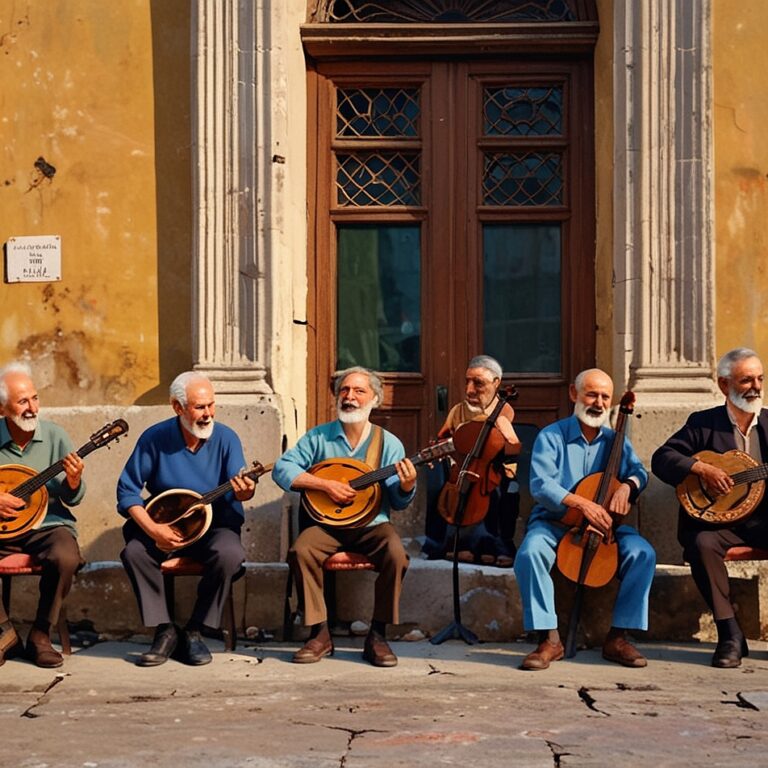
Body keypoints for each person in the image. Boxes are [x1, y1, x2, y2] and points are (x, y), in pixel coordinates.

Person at [273, 366, 417, 667]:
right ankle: (319, 633)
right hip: (326, 526)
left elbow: (398, 502)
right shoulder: (318, 438)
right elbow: (282, 469)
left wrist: (406, 484)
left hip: (371, 525)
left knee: (396, 554)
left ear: (374, 399)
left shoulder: (387, 443)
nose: (350, 397)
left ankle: (377, 634)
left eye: (359, 391)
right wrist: (323, 484)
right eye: (345, 390)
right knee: (301, 551)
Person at [514, 368, 655, 670]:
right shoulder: (552, 436)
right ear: (574, 394)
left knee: (643, 553)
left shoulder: (616, 441)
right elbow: (541, 484)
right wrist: (582, 504)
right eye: (592, 394)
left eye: (605, 397)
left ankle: (617, 637)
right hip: (555, 522)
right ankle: (549, 638)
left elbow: (640, 472)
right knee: (530, 553)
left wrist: (628, 487)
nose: (599, 402)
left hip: (606, 528)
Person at [116, 371, 255, 667]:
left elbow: (239, 488)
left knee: (230, 554)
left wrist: (245, 492)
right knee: (134, 552)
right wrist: (154, 530)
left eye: (211, 405)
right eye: (199, 407)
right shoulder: (155, 438)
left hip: (213, 527)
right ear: (177, 407)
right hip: (165, 525)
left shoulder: (227, 438)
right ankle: (165, 630)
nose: (208, 414)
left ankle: (195, 631)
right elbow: (127, 490)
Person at [652, 347, 768, 668]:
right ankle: (730, 634)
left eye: (759, 378)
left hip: (763, 521)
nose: (755, 386)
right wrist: (701, 469)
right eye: (746, 380)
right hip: (718, 524)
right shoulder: (704, 424)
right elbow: (662, 459)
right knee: (702, 543)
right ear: (723, 385)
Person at [0, 361, 86, 668]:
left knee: (66, 556)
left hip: (46, 524)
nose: (32, 408)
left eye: (34, 398)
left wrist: (73, 482)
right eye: (22, 401)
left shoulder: (55, 436)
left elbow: (73, 498)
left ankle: (40, 635)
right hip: (3, 531)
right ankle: (4, 632)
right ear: (2, 409)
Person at [424, 355, 521, 566]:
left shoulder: (505, 411)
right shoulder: (458, 410)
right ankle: (452, 543)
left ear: (496, 383)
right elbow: (443, 437)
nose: (469, 390)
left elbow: (513, 449)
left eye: (478, 383)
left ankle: (493, 544)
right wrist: (437, 450)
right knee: (442, 488)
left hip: (492, 471)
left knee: (500, 492)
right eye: (467, 382)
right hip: (460, 469)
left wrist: (510, 438)